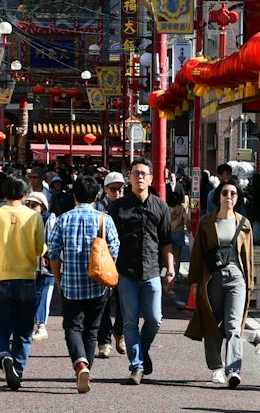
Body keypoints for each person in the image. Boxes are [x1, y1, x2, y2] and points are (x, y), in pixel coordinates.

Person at [45, 174, 121, 393]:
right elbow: (114, 250)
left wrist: (58, 279)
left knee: (72, 327)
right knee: (92, 329)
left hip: (71, 284)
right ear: (97, 195)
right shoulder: (104, 219)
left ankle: (80, 365)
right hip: (98, 284)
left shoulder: (63, 219)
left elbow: (53, 253)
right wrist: (107, 273)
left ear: (74, 195)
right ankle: (86, 368)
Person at [109, 157, 174, 385]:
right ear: (129, 176)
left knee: (155, 319)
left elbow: (166, 240)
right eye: (135, 173)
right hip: (125, 272)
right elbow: (109, 241)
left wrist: (171, 269)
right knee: (129, 321)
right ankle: (136, 366)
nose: (139, 177)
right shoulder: (117, 207)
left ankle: (142, 351)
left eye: (143, 173)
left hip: (152, 271)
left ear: (151, 178)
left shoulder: (160, 206)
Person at [184, 180, 254, 388]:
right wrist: (194, 281)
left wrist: (249, 283)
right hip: (212, 277)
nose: (229, 197)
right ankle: (216, 367)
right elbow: (197, 254)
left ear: (238, 198)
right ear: (218, 197)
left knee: (233, 325)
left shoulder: (244, 224)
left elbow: (247, 256)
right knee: (212, 323)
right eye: (225, 193)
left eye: (233, 193)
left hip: (236, 277)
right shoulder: (207, 222)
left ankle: (233, 369)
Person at [0, 174, 46, 390]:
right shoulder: (33, 217)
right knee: (24, 329)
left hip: (1, 277)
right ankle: (18, 368)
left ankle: (4, 355)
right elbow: (39, 249)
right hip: (27, 277)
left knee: (0, 329)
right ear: (25, 193)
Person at [94, 171, 128, 357]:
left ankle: (119, 332)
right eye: (113, 189)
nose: (118, 192)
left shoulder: (128, 206)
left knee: (124, 301)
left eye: (121, 188)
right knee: (103, 302)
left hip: (124, 261)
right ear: (105, 189)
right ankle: (104, 340)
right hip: (103, 260)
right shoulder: (98, 208)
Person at [24, 191, 55, 341]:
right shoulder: (26, 220)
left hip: (45, 266)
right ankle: (31, 326)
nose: (30, 208)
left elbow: (52, 240)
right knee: (33, 295)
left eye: (34, 205)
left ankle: (41, 325)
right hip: (30, 265)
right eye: (28, 204)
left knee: (42, 294)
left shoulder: (49, 220)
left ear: (43, 207)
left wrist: (48, 256)